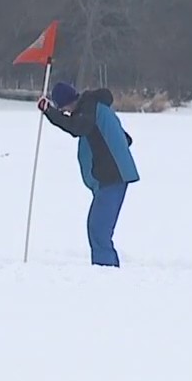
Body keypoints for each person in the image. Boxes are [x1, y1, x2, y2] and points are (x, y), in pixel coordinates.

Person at [37, 81, 139, 268]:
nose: (67, 114)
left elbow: (77, 128)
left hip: (112, 178)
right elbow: (126, 139)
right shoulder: (95, 109)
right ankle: (106, 271)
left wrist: (50, 112)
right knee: (98, 229)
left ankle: (106, 274)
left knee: (98, 229)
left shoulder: (89, 107)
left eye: (65, 110)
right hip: (112, 178)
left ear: (67, 103)